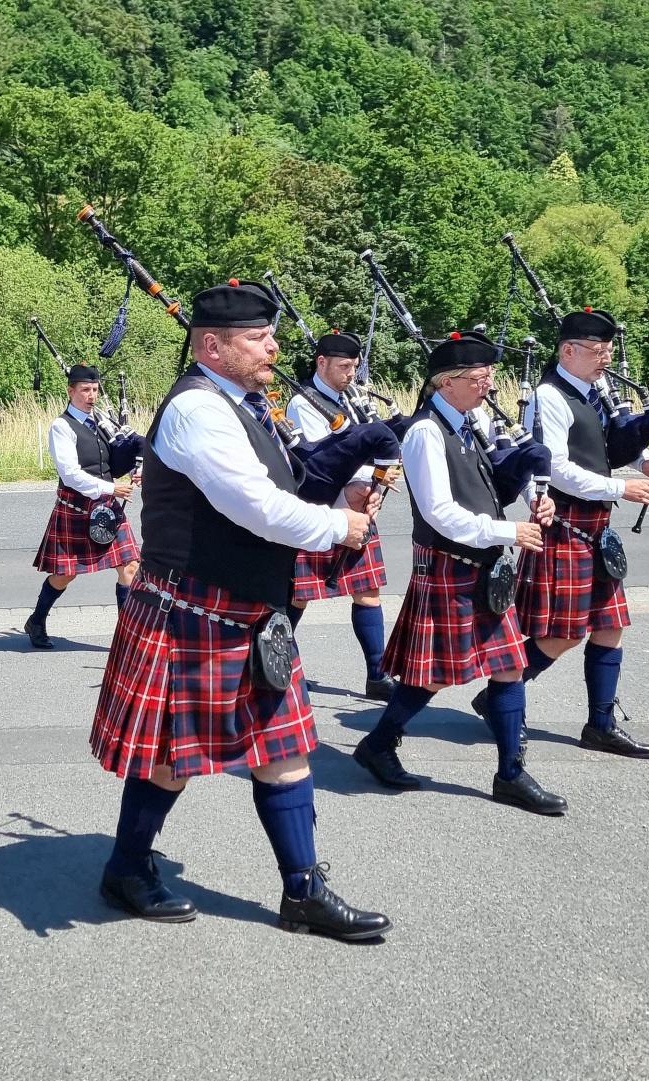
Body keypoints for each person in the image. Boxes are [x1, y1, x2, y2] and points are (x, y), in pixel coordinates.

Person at [90, 280, 392, 941]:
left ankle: (303, 890)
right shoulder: (197, 410)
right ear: (212, 346)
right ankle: (126, 868)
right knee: (170, 759)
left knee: (284, 748)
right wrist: (336, 527)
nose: (273, 347)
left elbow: (290, 477)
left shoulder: (246, 405)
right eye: (257, 338)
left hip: (250, 612)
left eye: (271, 335)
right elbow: (255, 505)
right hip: (191, 609)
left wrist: (351, 457)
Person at [349, 330, 567, 814]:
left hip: (483, 565)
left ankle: (511, 774)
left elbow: (494, 476)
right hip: (449, 565)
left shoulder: (473, 421)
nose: (488, 385)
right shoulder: (425, 432)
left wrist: (536, 496)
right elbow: (439, 512)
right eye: (478, 378)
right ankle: (378, 744)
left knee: (509, 666)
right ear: (445, 382)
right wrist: (508, 532)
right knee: (432, 676)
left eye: (489, 376)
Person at [515, 308, 649, 759]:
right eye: (598, 351)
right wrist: (622, 487)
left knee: (610, 625)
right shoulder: (548, 397)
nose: (607, 359)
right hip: (564, 523)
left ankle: (600, 725)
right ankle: (502, 696)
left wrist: (644, 464)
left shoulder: (596, 390)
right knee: (564, 633)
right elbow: (556, 469)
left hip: (596, 527)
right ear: (569, 350)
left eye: (608, 351)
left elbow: (608, 443)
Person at [283, 330, 397, 700]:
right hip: (319, 508)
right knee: (299, 595)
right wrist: (372, 473)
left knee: (367, 590)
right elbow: (319, 461)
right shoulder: (304, 402)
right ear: (322, 362)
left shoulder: (351, 398)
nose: (351, 374)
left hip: (356, 506)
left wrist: (378, 482)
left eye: (355, 367)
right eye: (345, 366)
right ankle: (277, 663)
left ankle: (378, 675)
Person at [24, 362, 140, 648]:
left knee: (130, 566)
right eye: (85, 390)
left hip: (108, 506)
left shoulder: (101, 421)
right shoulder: (61, 426)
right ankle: (36, 620)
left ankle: (126, 637)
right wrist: (111, 487)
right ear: (70, 391)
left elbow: (115, 457)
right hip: (76, 507)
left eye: (95, 390)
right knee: (66, 574)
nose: (91, 396)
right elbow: (70, 475)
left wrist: (136, 468)